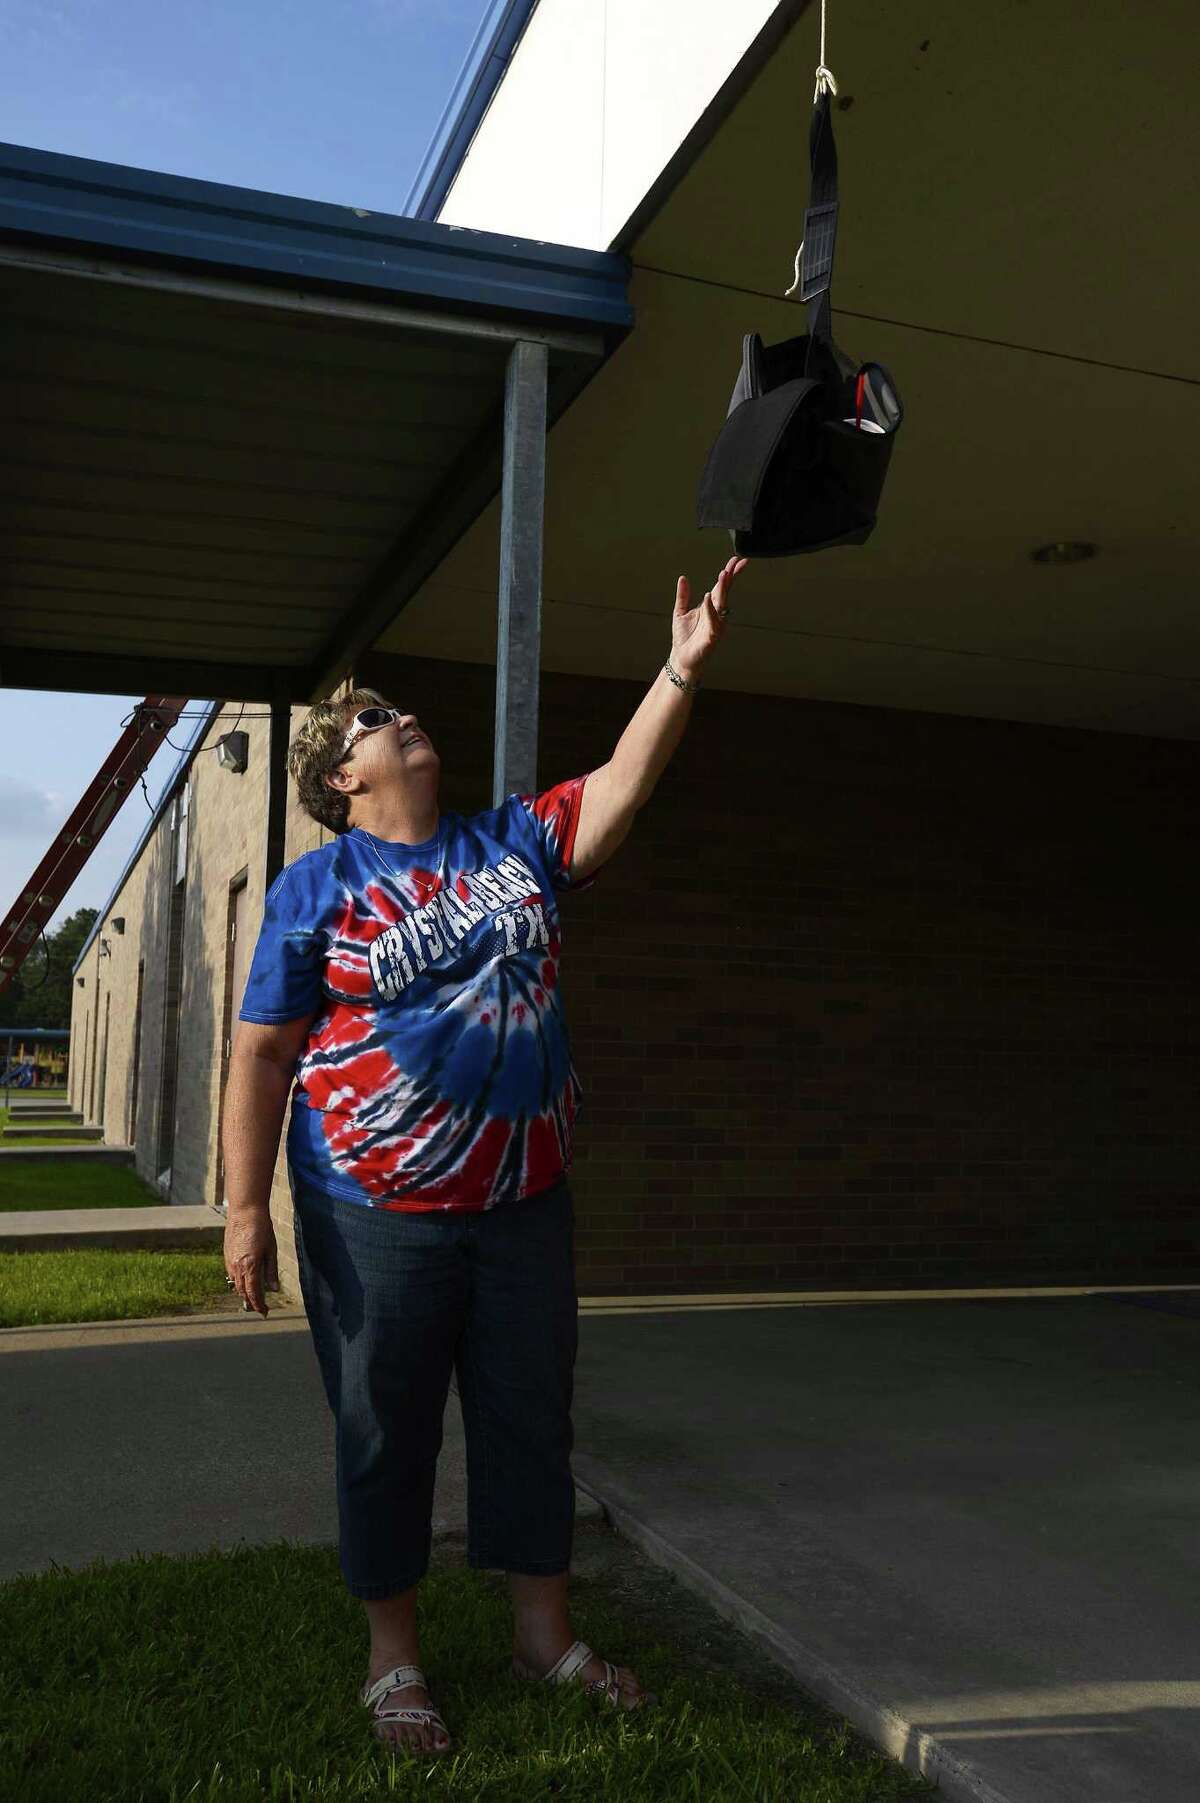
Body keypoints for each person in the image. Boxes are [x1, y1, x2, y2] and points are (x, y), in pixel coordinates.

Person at [222, 555, 748, 1756]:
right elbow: (261, 1058)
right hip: (370, 1209)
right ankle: (394, 1661)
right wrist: (245, 1210)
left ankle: (543, 1636)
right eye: (370, 722)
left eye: (395, 710)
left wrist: (680, 667)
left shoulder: (513, 843)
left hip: (525, 1200)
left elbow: (618, 784)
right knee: (384, 1427)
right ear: (339, 779)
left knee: (527, 1419)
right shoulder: (320, 887)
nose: (398, 719)